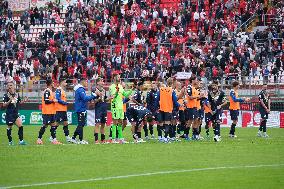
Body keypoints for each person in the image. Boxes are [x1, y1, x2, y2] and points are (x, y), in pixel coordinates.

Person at [71, 77, 97, 144]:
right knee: (80, 125)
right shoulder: (80, 90)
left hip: (81, 108)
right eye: (86, 82)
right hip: (80, 109)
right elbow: (85, 98)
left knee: (81, 124)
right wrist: (93, 95)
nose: (86, 83)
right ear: (82, 82)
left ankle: (73, 138)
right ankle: (80, 140)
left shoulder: (80, 89)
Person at [109, 73, 133, 144]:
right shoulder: (112, 87)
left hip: (120, 106)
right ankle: (113, 139)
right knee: (115, 122)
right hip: (115, 106)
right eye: (118, 77)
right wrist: (116, 92)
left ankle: (120, 138)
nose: (119, 78)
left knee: (121, 122)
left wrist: (131, 90)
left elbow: (125, 94)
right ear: (114, 78)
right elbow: (114, 96)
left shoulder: (120, 86)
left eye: (119, 77)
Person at [2, 81, 28, 145]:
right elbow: (4, 105)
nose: (9, 87)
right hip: (9, 114)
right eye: (8, 86)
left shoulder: (17, 94)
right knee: (9, 128)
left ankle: (21, 141)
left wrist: (24, 100)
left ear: (14, 86)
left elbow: (19, 102)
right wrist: (9, 101)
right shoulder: (6, 95)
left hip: (15, 114)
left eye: (11, 85)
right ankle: (10, 141)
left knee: (20, 126)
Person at [156, 78, 180, 143]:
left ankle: (161, 137)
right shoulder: (172, 91)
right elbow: (174, 101)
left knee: (161, 123)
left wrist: (156, 107)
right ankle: (165, 137)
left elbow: (157, 99)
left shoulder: (161, 89)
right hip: (168, 109)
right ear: (172, 83)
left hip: (161, 109)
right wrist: (178, 106)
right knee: (167, 123)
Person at [37, 78, 60, 145]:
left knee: (53, 125)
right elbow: (46, 101)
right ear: (51, 83)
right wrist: (53, 100)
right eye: (53, 82)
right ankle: (39, 139)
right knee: (45, 125)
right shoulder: (47, 91)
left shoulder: (50, 91)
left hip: (51, 112)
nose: (53, 84)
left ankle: (54, 140)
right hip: (47, 112)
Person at [54, 77, 71, 143]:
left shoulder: (63, 90)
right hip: (59, 109)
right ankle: (52, 136)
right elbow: (57, 99)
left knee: (65, 123)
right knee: (56, 123)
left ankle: (67, 137)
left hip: (63, 109)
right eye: (65, 82)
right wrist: (65, 103)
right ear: (61, 82)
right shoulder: (58, 90)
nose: (66, 83)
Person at [94, 77, 109, 144]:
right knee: (97, 124)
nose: (103, 82)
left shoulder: (104, 90)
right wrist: (99, 97)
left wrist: (110, 98)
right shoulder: (94, 90)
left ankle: (103, 140)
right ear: (97, 82)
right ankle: (96, 140)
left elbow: (105, 99)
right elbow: (94, 101)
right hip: (98, 109)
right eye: (101, 81)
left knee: (103, 125)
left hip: (104, 109)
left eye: (103, 81)